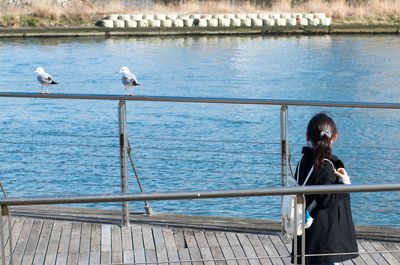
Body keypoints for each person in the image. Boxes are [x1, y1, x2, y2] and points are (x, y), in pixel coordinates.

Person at [291, 112, 358, 264]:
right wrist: (344, 184)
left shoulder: (304, 161)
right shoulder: (326, 165)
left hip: (308, 235)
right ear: (335, 136)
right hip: (323, 238)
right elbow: (326, 199)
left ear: (307, 136)